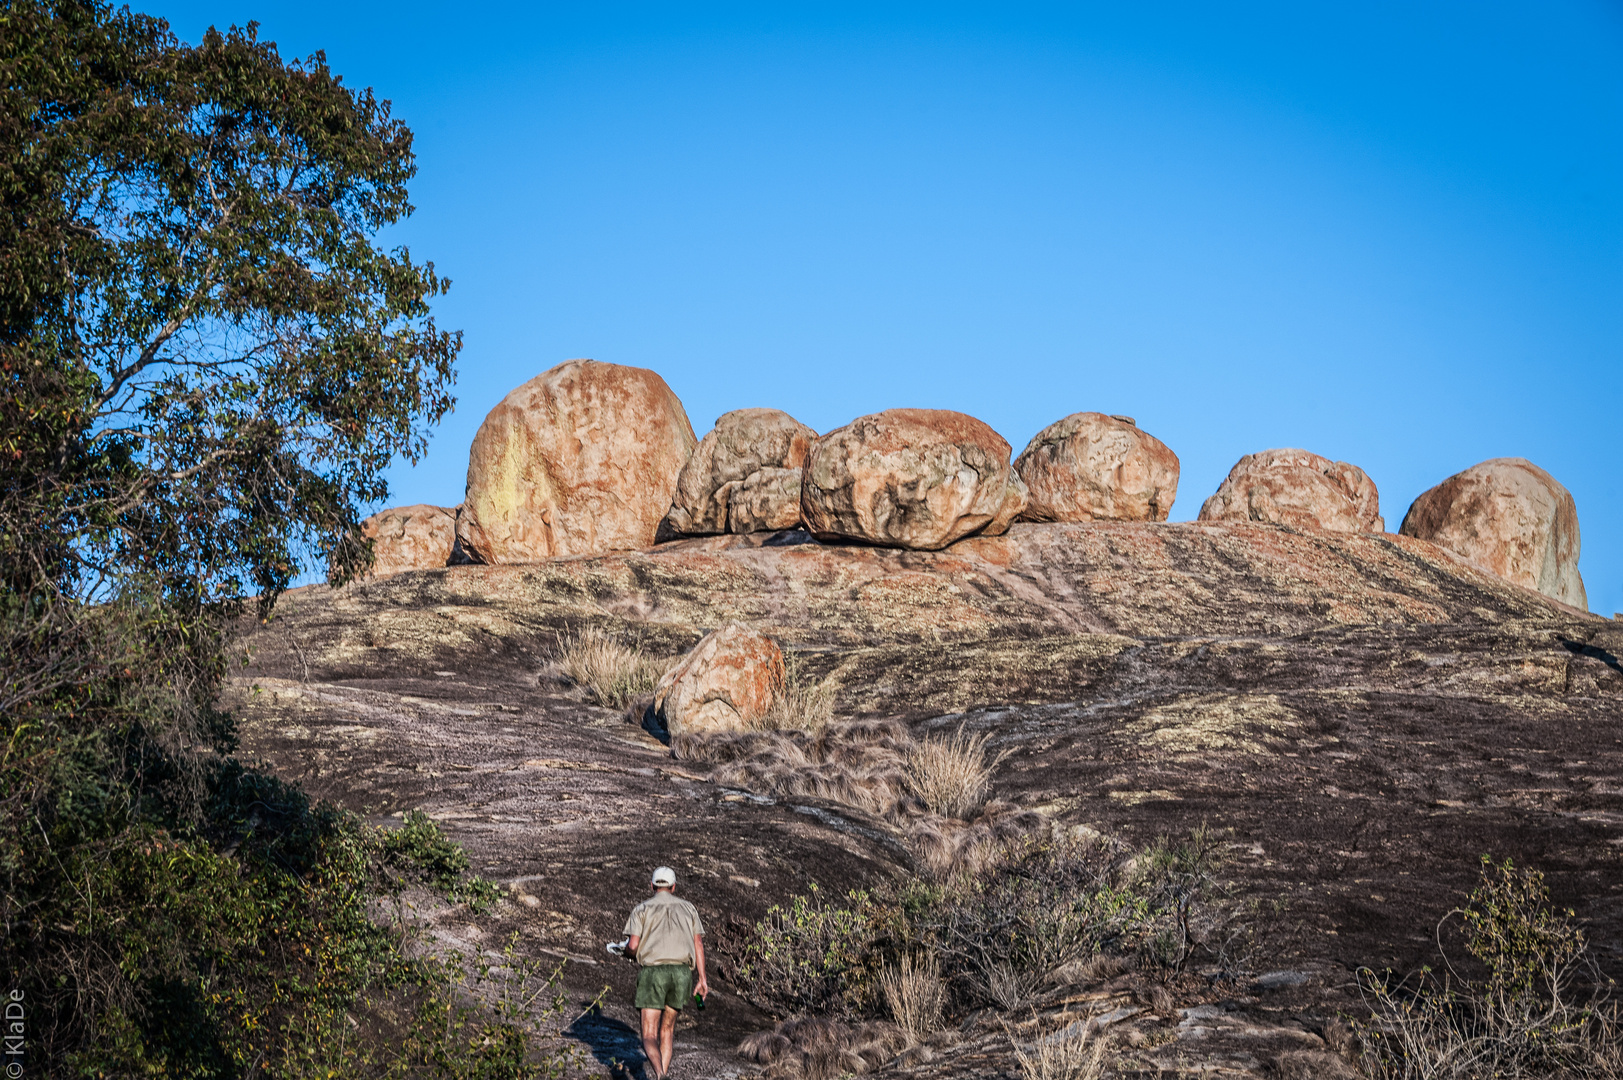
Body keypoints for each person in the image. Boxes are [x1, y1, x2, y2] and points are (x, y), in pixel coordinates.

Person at [622, 865, 709, 1080]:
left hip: (654, 973)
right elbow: (698, 943)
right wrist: (702, 979)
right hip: (682, 974)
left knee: (649, 1034)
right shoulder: (689, 908)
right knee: (667, 1031)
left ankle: (660, 1075)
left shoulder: (642, 908)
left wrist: (625, 951)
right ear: (673, 887)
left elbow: (633, 945)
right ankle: (664, 1075)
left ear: (651, 886)